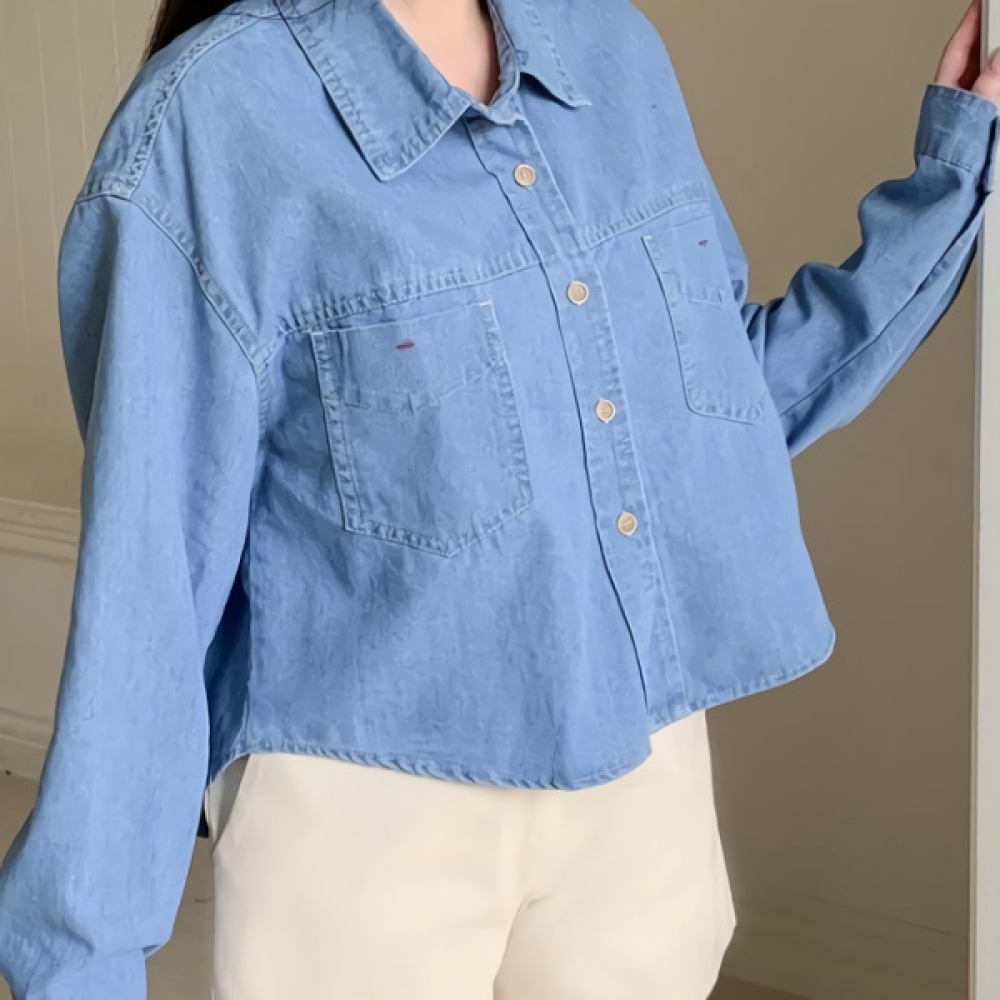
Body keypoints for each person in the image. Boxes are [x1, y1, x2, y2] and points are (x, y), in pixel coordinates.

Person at [1, 0, 999, 997]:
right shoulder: (208, 123)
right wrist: (80, 963)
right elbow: (151, 592)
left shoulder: (611, 47)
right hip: (367, 813)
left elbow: (710, 422)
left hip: (640, 782)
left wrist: (950, 187)